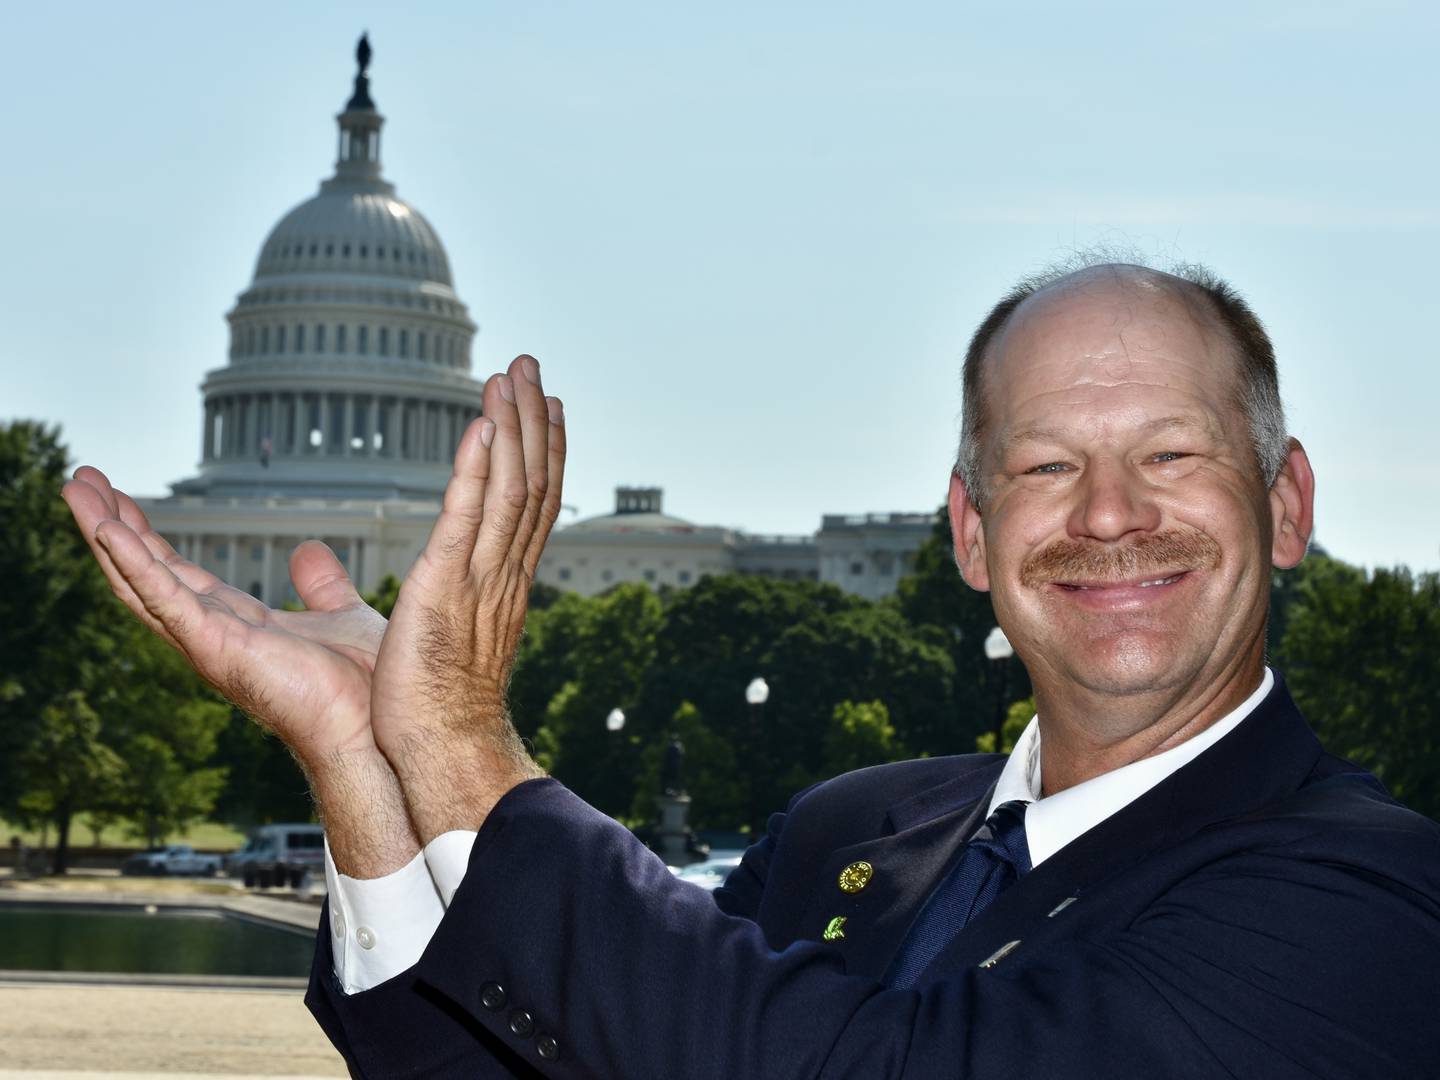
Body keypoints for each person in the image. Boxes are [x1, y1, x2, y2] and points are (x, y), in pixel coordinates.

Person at [64, 261, 1440, 1078]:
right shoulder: (849, 832)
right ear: (970, 531)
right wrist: (367, 773)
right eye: (1044, 467)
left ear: (1290, 503)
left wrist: (463, 755)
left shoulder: (1367, 905)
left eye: (1174, 455)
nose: (1107, 516)